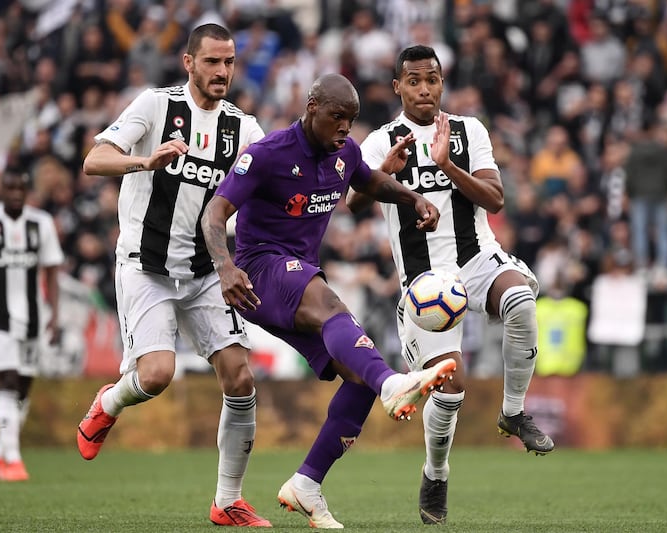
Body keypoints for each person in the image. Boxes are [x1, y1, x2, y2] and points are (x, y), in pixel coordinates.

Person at [201, 72, 457, 529]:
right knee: (337, 310)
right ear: (312, 106)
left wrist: (413, 198)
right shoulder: (267, 154)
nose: (345, 127)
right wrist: (225, 267)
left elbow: (372, 184)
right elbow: (215, 213)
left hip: (295, 280)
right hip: (259, 270)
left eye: (352, 119)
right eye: (337, 117)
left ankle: (307, 484)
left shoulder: (345, 153)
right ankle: (392, 384)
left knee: (356, 375)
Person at [347, 45, 555, 525]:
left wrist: (447, 166)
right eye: (414, 81)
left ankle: (514, 412)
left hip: (476, 258)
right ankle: (435, 473)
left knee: (522, 299)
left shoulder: (467, 130)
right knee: (450, 386)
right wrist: (383, 176)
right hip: (424, 281)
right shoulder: (381, 140)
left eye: (433, 80)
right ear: (397, 86)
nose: (425, 89)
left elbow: (496, 199)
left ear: (442, 83)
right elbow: (353, 206)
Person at [76, 23, 271, 527]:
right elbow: (94, 160)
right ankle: (108, 403)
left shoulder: (243, 129)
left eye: (228, 62)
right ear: (189, 62)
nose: (222, 71)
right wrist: (145, 161)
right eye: (211, 62)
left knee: (242, 377)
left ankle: (228, 501)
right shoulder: (154, 106)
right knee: (157, 375)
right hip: (146, 266)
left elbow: (271, 183)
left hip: (207, 270)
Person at [0, 170, 64, 481]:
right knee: (6, 380)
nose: (17, 193)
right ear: (0, 191)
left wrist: (54, 314)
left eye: (21, 187)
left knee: (22, 387)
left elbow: (52, 272)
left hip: (33, 318)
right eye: (11, 188)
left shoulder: (41, 223)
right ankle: (14, 460)